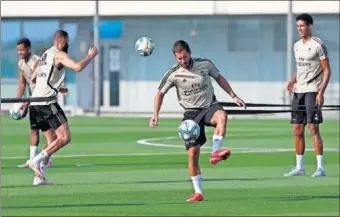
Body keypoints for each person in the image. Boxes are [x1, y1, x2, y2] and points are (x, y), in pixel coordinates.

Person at [149, 40, 246, 202]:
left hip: (210, 106)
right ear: (175, 58)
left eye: (185, 57)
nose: (183, 61)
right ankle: (198, 193)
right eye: (179, 59)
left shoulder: (205, 64)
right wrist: (155, 114)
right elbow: (160, 93)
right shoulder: (173, 73)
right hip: (191, 115)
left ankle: (215, 151)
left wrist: (233, 95)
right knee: (193, 154)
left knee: (222, 115)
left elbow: (219, 78)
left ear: (190, 52)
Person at [27, 30, 98, 181]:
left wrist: (57, 87)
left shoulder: (45, 55)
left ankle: (39, 178)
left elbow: (34, 78)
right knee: (65, 137)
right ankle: (35, 161)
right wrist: (91, 56)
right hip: (47, 103)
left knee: (52, 141)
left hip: (35, 104)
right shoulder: (59, 54)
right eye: (68, 42)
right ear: (63, 41)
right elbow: (78, 67)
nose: (68, 45)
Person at [285, 13, 331, 177]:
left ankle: (320, 168)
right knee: (297, 129)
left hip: (313, 90)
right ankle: (300, 167)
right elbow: (301, 69)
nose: (299, 29)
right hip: (299, 91)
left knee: (313, 128)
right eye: (297, 26)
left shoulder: (318, 44)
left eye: (302, 26)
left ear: (310, 26)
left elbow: (326, 70)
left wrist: (321, 91)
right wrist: (292, 81)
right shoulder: (296, 45)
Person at [15, 38, 59, 170]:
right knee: (34, 130)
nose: (20, 53)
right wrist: (18, 102)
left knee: (50, 133)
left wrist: (26, 103)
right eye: (18, 50)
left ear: (29, 49)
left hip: (42, 99)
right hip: (33, 101)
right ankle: (32, 160)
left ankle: (47, 159)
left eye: (22, 50)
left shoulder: (37, 62)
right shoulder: (21, 63)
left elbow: (40, 84)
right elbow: (23, 83)